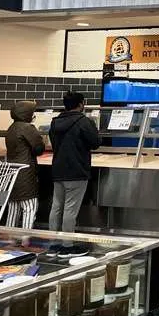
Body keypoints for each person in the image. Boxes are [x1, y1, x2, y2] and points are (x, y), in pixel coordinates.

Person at [48, 92, 100, 257]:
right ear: (81, 103)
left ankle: (53, 244)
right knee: (70, 209)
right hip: (77, 171)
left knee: (56, 207)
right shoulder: (84, 121)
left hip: (58, 170)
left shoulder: (55, 121)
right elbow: (96, 143)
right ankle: (67, 246)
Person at [4, 101, 44, 230]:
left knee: (14, 206)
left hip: (12, 171)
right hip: (25, 172)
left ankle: (10, 238)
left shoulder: (11, 128)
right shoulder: (27, 128)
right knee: (29, 206)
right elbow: (39, 148)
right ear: (26, 114)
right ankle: (25, 238)